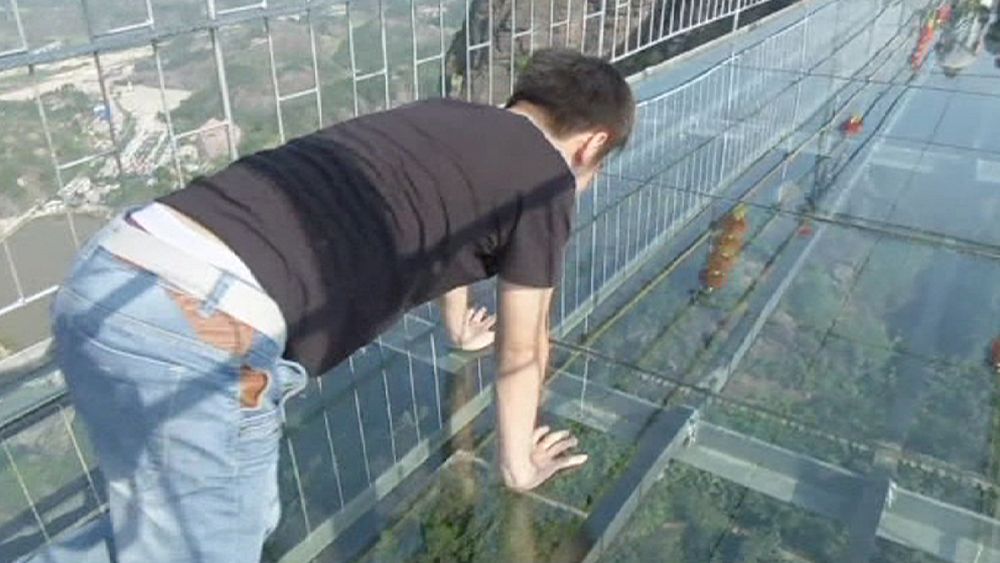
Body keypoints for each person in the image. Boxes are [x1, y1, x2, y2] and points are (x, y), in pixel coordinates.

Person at [50, 48, 634, 561]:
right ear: (593, 144)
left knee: (160, 536)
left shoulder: (442, 116)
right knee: (211, 546)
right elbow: (525, 345)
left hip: (109, 272)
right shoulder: (546, 180)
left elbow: (448, 230)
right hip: (200, 321)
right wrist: (518, 466)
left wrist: (458, 328)